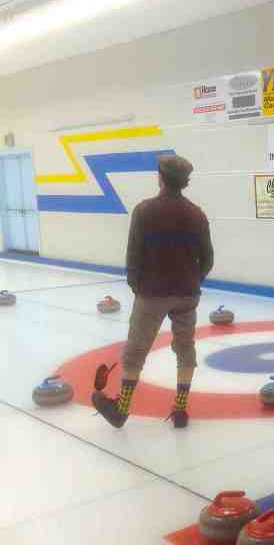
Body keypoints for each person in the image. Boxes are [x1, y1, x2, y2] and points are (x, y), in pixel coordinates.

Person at [92, 154, 213, 429]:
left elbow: (133, 256)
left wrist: (137, 286)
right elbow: (207, 258)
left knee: (136, 350)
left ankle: (121, 409)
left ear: (160, 177)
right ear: (184, 182)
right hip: (187, 294)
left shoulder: (144, 211)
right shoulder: (197, 214)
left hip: (152, 293)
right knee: (185, 348)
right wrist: (193, 280)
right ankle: (180, 410)